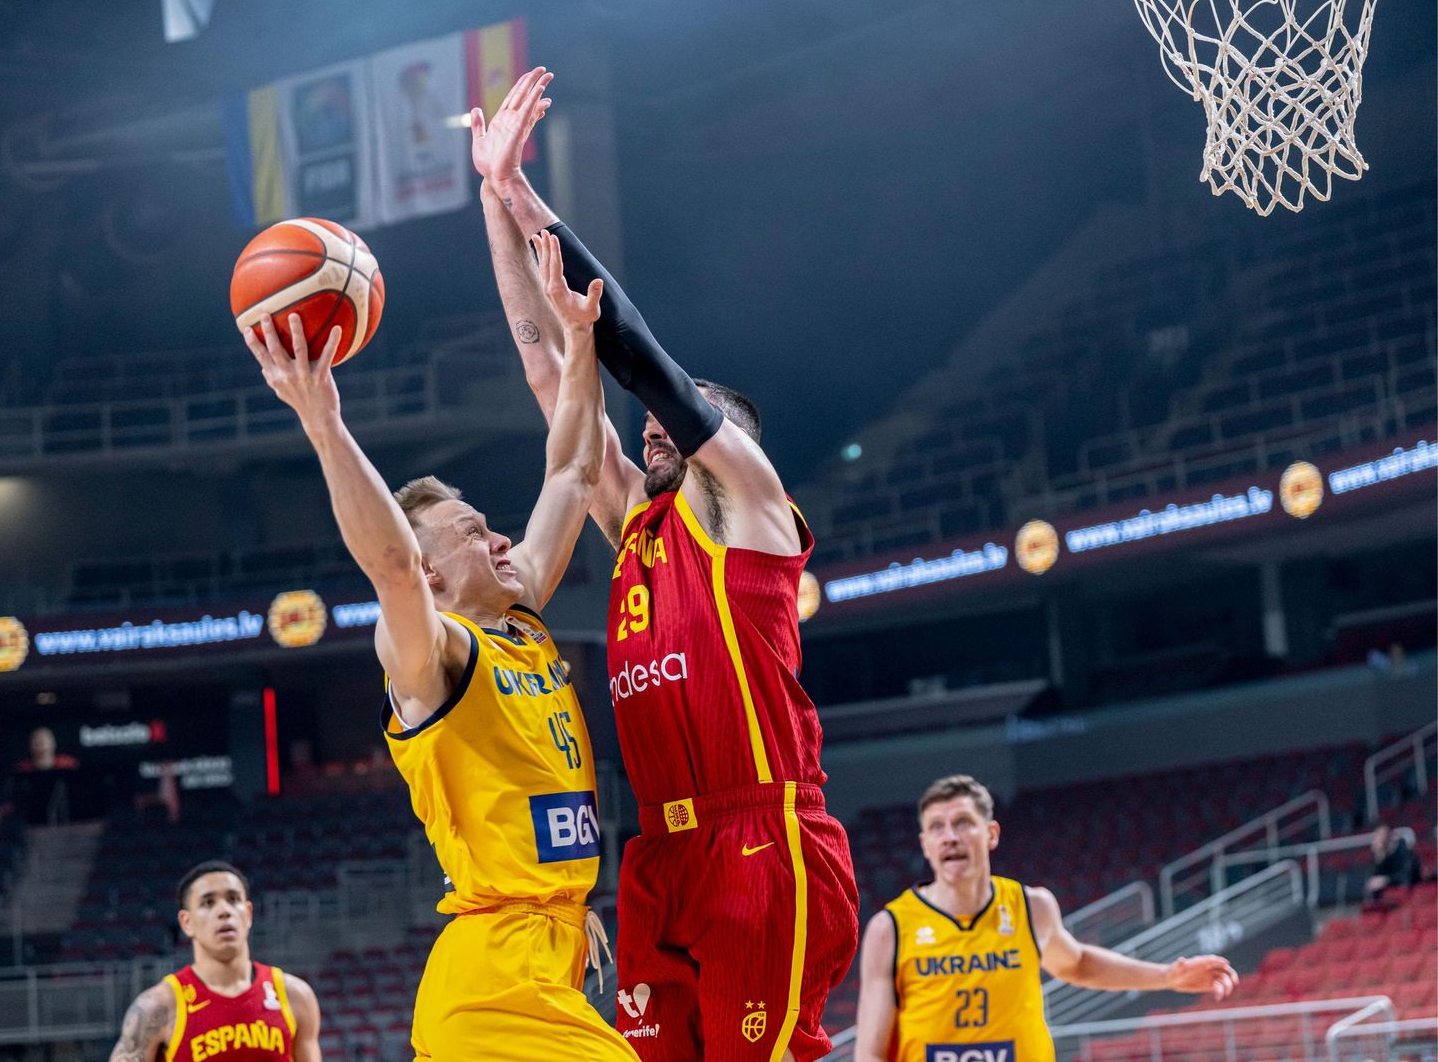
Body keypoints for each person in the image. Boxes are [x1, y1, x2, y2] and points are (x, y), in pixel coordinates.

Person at [473, 67, 859, 1061]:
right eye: (654, 422)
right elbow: (548, 372)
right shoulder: (637, 534)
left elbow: (635, 355)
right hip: (657, 852)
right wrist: (487, 202)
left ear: (733, 440)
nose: (652, 425)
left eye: (684, 416)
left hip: (762, 839)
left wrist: (527, 196)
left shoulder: (748, 507)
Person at [245, 242, 637, 1061]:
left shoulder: (520, 620)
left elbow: (571, 466)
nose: (499, 537)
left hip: (545, 954)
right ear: (431, 570)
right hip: (493, 985)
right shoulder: (433, 658)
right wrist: (324, 423)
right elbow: (390, 568)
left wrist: (580, 337)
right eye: (470, 534)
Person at [853, 776, 1239, 1062]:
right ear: (925, 844)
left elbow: (1078, 963)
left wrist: (1167, 976)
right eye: (937, 827)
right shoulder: (891, 928)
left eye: (963, 822)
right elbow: (869, 1053)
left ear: (991, 834)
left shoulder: (1031, 906)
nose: (949, 836)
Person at [107, 861, 321, 1062]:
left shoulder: (295, 995)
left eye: (233, 899)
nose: (224, 911)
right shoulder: (157, 1006)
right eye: (208, 902)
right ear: (187, 922)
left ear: (248, 914)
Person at [1363, 822, 1420, 906]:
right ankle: (1377, 914)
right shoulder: (1382, 853)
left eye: (1382, 834)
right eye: (1378, 835)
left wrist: (1387, 880)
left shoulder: (1403, 849)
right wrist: (1379, 857)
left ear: (1390, 835)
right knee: (1372, 886)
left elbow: (1407, 874)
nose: (1380, 838)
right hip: (1392, 884)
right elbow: (1377, 876)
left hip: (1410, 884)